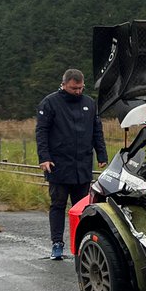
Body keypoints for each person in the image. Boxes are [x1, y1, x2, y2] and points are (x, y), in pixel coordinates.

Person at [36, 69, 107, 259]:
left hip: (82, 165)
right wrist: (44, 157)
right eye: (74, 88)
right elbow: (41, 132)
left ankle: (82, 243)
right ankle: (57, 243)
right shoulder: (50, 103)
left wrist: (101, 154)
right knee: (58, 205)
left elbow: (97, 131)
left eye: (81, 88)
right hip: (58, 164)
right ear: (64, 84)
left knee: (83, 208)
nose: (78, 91)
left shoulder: (89, 103)